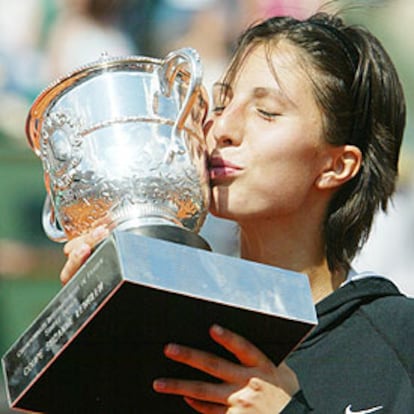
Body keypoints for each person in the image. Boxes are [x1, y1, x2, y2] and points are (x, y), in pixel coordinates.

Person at [59, 11, 414, 414]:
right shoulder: (169, 324)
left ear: (337, 165)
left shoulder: (399, 340)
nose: (222, 127)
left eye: (266, 112)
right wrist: (90, 318)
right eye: (222, 102)